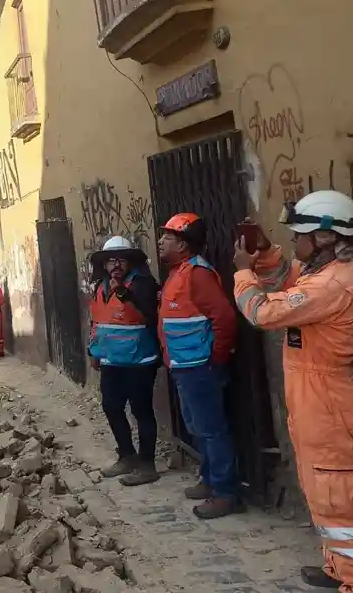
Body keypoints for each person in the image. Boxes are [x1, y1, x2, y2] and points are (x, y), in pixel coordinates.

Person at [232, 191, 353, 590]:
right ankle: (337, 567)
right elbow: (290, 280)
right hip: (316, 398)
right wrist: (265, 254)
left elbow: (263, 311)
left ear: (324, 237)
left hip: (330, 404)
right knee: (323, 491)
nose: (294, 240)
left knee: (338, 496)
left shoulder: (334, 285)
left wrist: (242, 273)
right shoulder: (323, 273)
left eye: (299, 234)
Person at [157, 212, 240, 519]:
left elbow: (225, 318)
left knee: (212, 430)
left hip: (200, 366)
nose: (161, 241)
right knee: (198, 427)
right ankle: (209, 480)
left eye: (167, 237)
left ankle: (225, 492)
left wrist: (216, 357)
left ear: (184, 244)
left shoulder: (198, 275)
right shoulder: (178, 273)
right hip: (184, 365)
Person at [87, 236, 161, 487]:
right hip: (111, 361)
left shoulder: (143, 284)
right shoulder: (100, 286)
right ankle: (127, 455)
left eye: (121, 259)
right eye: (111, 261)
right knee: (111, 406)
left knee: (142, 411)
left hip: (139, 361)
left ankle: (147, 465)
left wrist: (126, 294)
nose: (116, 265)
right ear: (104, 265)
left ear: (130, 262)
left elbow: (151, 315)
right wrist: (94, 352)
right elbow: (96, 321)